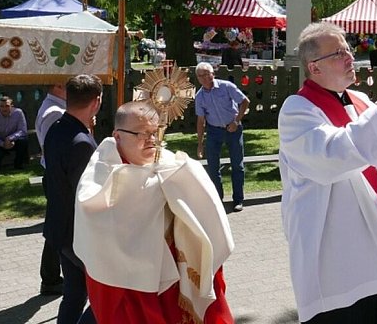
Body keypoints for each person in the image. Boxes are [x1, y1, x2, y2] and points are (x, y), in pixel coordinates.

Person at [278, 22, 377, 323]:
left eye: (348, 49)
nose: (350, 57)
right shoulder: (297, 110)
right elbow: (331, 156)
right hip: (337, 254)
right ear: (314, 67)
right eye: (339, 53)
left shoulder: (360, 101)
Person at [74, 101, 235, 324]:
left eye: (154, 132)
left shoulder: (171, 163)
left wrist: (183, 179)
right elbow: (92, 209)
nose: (151, 140)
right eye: (141, 133)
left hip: (175, 271)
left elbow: (202, 208)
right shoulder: (101, 169)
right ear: (117, 135)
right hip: (129, 282)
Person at [43, 74, 101, 324]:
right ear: (97, 102)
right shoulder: (81, 143)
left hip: (59, 226)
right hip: (76, 233)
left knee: (75, 294)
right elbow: (87, 195)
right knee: (102, 297)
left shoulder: (57, 127)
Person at [194, 62, 250, 211]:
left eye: (207, 74)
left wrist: (236, 121)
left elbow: (245, 102)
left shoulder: (226, 86)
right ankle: (218, 200)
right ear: (198, 79)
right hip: (214, 131)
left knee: (237, 165)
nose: (205, 78)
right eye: (201, 76)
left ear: (213, 73)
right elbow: (201, 121)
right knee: (213, 167)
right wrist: (200, 144)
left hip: (233, 128)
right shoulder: (199, 97)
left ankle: (238, 200)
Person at [35, 82, 67, 296]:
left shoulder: (56, 108)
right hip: (57, 176)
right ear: (58, 85)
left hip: (57, 175)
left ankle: (52, 276)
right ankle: (50, 278)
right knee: (57, 228)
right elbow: (54, 148)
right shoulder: (54, 112)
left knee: (58, 226)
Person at [0, 96, 29, 172]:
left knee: (23, 141)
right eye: (2, 106)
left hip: (13, 140)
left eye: (7, 106)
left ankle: (18, 165)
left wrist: (10, 138)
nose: (4, 109)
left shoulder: (18, 113)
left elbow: (22, 130)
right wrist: (3, 144)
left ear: (12, 106)